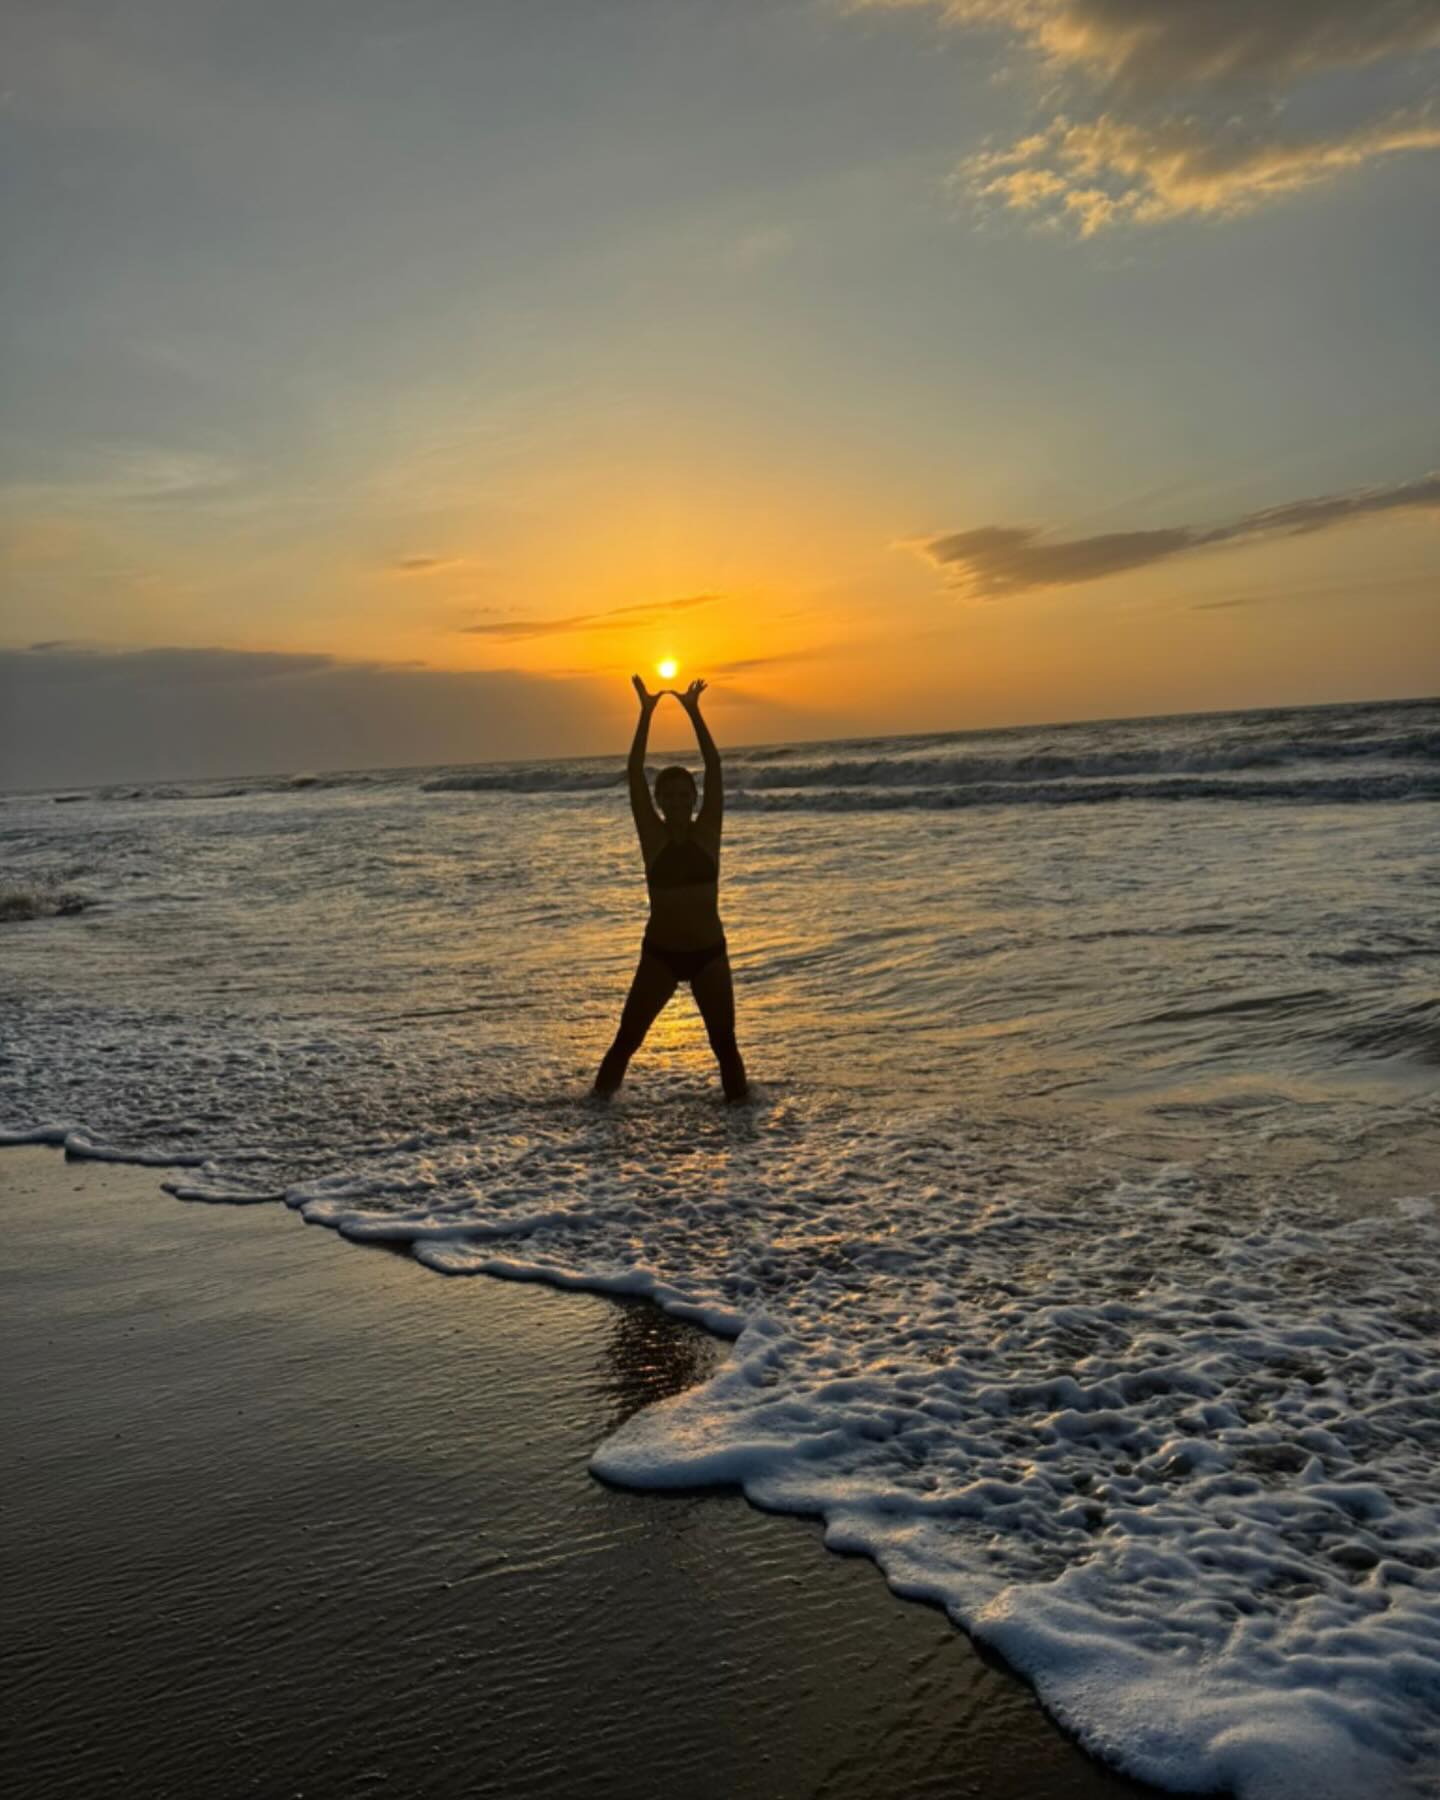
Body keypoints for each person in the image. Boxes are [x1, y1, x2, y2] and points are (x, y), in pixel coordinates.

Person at [593, 675, 748, 1101]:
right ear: (660, 802)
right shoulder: (653, 837)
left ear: (694, 799)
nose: (678, 802)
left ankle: (744, 1128)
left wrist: (694, 711)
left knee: (725, 1046)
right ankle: (595, 1113)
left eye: (685, 795)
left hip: (708, 955)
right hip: (660, 955)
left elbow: (715, 767)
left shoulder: (707, 832)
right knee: (627, 1040)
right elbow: (633, 772)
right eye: (670, 796)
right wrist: (646, 713)